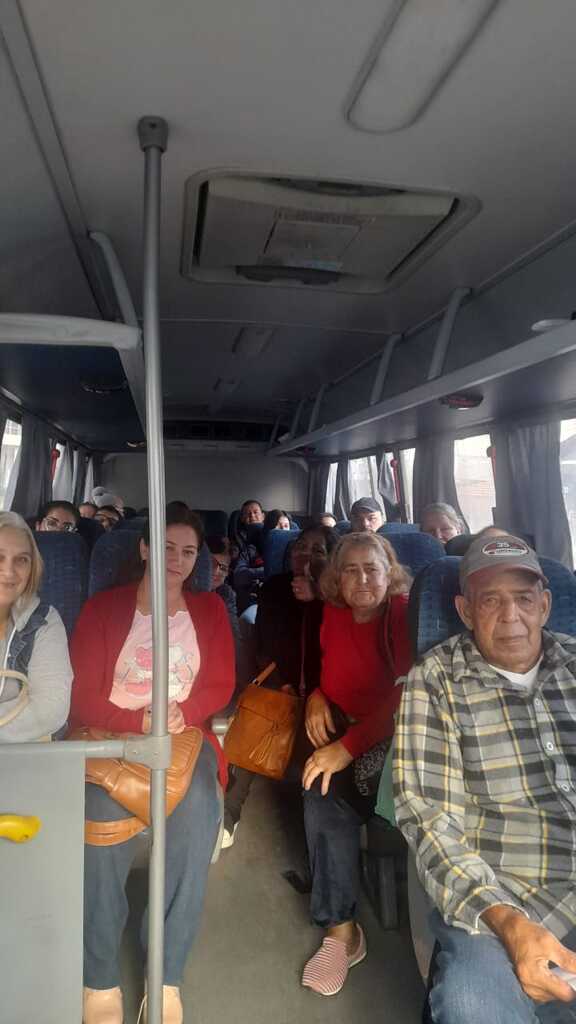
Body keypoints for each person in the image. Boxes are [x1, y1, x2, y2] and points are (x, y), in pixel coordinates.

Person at [394, 534, 576, 1024]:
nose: (511, 616)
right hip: (499, 895)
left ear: (545, 605)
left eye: (523, 599)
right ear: (466, 611)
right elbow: (429, 817)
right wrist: (509, 924)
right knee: (471, 1004)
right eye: (491, 600)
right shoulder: (436, 679)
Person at [69, 505, 235, 1024]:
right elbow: (82, 696)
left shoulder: (209, 610)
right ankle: (99, 976)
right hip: (111, 738)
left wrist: (185, 710)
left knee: (198, 812)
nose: (176, 560)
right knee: (97, 818)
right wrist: (136, 720)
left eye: (188, 552)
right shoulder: (103, 608)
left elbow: (221, 683)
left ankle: (165, 975)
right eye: (165, 548)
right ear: (143, 549)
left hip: (184, 739)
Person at [301, 532, 412, 996]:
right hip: (346, 728)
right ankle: (342, 932)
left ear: (390, 574)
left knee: (332, 782)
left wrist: (347, 747)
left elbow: (409, 693)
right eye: (351, 570)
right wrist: (316, 695)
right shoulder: (332, 613)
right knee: (318, 787)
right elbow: (327, 670)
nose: (363, 579)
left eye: (372, 569)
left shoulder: (400, 613)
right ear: (337, 579)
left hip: (394, 736)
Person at [223, 525, 339, 846]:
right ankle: (229, 814)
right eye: (300, 547)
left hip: (326, 693)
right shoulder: (275, 588)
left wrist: (318, 598)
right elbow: (265, 646)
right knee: (254, 721)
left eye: (318, 550)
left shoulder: (338, 597)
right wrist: (283, 684)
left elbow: (337, 653)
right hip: (281, 684)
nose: (306, 555)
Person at [0, 511, 72, 742]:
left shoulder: (43, 621)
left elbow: (51, 709)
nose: (9, 572)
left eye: (21, 560)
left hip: (21, 756)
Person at [205, 536, 240, 644]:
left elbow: (233, 634)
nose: (217, 571)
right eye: (212, 564)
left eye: (223, 568)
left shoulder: (225, 594)